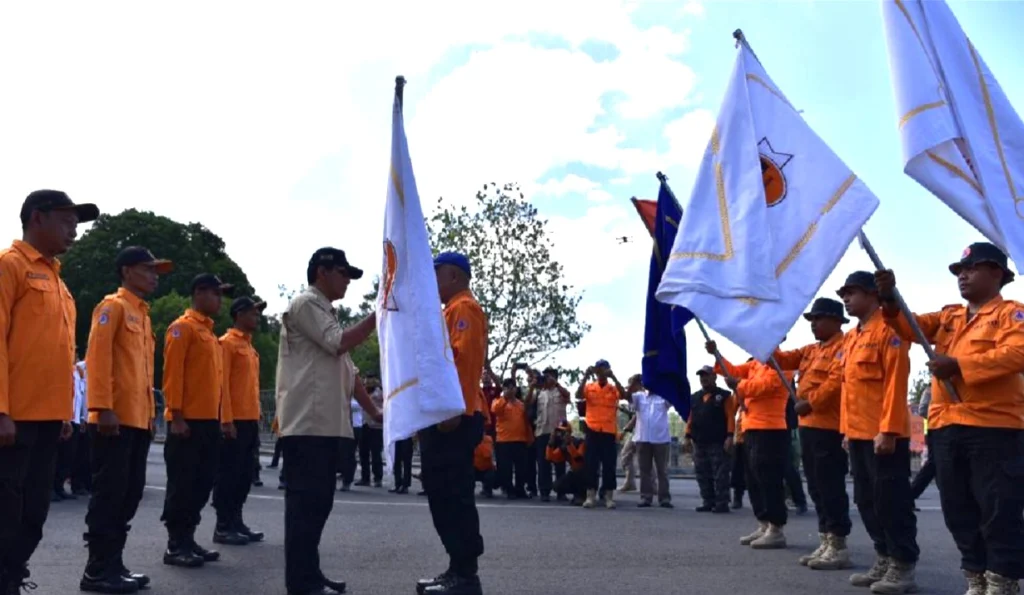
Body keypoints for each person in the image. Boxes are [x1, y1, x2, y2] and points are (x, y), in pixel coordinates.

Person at [878, 244, 1024, 594]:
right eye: (960, 269)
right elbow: (908, 327)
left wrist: (960, 366)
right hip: (946, 426)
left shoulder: (1012, 314)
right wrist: (889, 300)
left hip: (994, 427)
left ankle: (1002, 581)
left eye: (971, 268)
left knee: (998, 510)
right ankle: (975, 576)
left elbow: (1018, 352)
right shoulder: (949, 316)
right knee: (957, 508)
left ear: (997, 274)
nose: (962, 275)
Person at [0, 190, 97, 593]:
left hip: (47, 417)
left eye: (75, 224)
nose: (73, 231)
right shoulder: (11, 266)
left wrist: (63, 414)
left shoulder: (57, 279)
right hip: (15, 415)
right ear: (36, 218)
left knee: (34, 512)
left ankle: (10, 573)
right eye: (66, 221)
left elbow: (58, 354)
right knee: (6, 509)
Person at [276, 247, 381, 595]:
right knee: (305, 507)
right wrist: (377, 315)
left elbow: (349, 374)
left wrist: (375, 412)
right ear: (322, 272)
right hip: (307, 424)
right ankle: (301, 582)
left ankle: (310, 572)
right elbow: (338, 344)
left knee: (318, 505)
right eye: (343, 273)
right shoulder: (307, 303)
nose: (348, 281)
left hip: (326, 427)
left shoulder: (326, 313)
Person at [80, 246, 171, 593]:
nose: (154, 275)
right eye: (148, 269)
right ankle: (97, 569)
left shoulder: (143, 315)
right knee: (109, 496)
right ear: (127, 271)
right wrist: (102, 407)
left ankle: (114, 564)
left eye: (156, 270)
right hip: (113, 420)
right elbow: (98, 359)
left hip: (137, 420)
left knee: (129, 495)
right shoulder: (112, 307)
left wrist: (148, 416)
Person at [833, 271, 918, 593]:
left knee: (891, 502)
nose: (846, 298)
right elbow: (849, 389)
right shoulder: (853, 336)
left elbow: (896, 383)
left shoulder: (889, 328)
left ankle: (902, 564)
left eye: (852, 292)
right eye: (844, 293)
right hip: (857, 433)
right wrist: (846, 430)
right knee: (867, 500)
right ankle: (883, 556)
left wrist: (889, 430)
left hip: (884, 436)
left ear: (872, 295)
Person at [415, 252, 487, 595]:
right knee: (441, 493)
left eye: (437, 273)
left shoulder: (464, 309)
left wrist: (451, 410)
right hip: (445, 414)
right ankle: (456, 568)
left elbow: (463, 362)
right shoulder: (450, 309)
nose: (433, 280)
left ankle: (465, 576)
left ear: (454, 276)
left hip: (454, 417)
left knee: (453, 495)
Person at [161, 273, 236, 568]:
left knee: (202, 483)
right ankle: (175, 544)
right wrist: (176, 416)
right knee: (183, 484)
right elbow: (173, 376)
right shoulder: (182, 329)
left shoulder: (210, 335)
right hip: (187, 421)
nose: (220, 300)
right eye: (216, 294)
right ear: (200, 293)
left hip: (207, 422)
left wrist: (221, 419)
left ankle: (188, 538)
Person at [774, 297, 853, 570]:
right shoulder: (811, 350)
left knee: (831, 487)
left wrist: (811, 402)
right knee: (817, 487)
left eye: (818, 319)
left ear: (836, 321)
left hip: (829, 428)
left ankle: (839, 544)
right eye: (811, 320)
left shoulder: (844, 347)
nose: (814, 324)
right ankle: (826, 539)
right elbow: (782, 359)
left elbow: (835, 382)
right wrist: (770, 340)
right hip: (809, 427)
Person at [708, 342, 792, 550]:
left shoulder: (782, 363)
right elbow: (735, 371)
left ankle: (776, 527)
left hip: (770, 429)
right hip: (750, 428)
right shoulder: (756, 363)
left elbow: (764, 386)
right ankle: (763, 522)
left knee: (769, 479)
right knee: (753, 479)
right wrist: (717, 354)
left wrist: (738, 385)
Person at [211, 296, 268, 547]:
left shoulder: (249, 346)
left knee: (245, 474)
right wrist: (226, 420)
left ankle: (236, 520)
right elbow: (221, 385)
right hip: (233, 420)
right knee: (229, 474)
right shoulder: (227, 344)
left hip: (248, 419)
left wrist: (257, 411)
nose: (257, 317)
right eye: (253, 313)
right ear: (238, 315)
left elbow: (248, 385)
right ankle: (223, 525)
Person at [575, 360, 627, 509]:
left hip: (609, 430)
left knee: (609, 465)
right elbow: (578, 395)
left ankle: (608, 496)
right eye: (599, 370)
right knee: (591, 464)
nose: (602, 372)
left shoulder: (612, 388)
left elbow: (624, 395)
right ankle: (590, 496)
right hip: (592, 429)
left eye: (604, 369)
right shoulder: (590, 387)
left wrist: (614, 377)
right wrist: (585, 376)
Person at [685, 366, 736, 513]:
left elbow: (730, 417)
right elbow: (691, 418)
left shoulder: (724, 395)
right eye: (701, 376)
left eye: (707, 375)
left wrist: (730, 436)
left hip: (718, 441)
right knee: (702, 473)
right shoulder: (695, 397)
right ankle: (708, 501)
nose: (704, 379)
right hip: (699, 441)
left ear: (714, 377)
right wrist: (687, 436)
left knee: (720, 473)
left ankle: (722, 503)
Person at [524, 367, 570, 502]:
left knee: (560, 462)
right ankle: (545, 491)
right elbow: (526, 404)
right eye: (545, 376)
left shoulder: (560, 391)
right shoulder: (539, 393)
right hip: (542, 431)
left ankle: (561, 491)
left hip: (559, 432)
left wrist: (556, 384)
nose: (546, 379)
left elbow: (568, 396)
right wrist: (532, 387)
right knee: (543, 463)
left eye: (549, 376)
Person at [629, 375, 674, 509]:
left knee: (662, 470)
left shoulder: (664, 397)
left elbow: (674, 396)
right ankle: (645, 497)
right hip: (643, 438)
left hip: (660, 439)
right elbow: (626, 396)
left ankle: (664, 498)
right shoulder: (638, 396)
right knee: (644, 470)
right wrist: (633, 383)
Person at [491, 379, 530, 499]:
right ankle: (509, 490)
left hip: (520, 440)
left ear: (516, 389)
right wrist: (505, 398)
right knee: (505, 469)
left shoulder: (521, 404)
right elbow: (495, 411)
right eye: (507, 387)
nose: (510, 389)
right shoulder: (498, 401)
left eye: (513, 387)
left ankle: (520, 489)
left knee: (521, 468)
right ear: (503, 389)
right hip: (503, 441)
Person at [546, 422, 587, 504]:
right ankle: (577, 494)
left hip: (587, 474)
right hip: (575, 472)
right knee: (557, 486)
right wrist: (550, 444)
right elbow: (550, 457)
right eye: (559, 432)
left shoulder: (580, 442)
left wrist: (569, 444)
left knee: (578, 472)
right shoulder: (563, 447)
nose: (560, 435)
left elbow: (578, 460)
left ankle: (581, 495)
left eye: (563, 432)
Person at [357, 376, 384, 488]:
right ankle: (365, 477)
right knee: (363, 452)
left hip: (376, 426)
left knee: (376, 453)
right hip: (365, 424)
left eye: (370, 381)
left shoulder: (380, 394)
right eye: (366, 381)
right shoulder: (364, 391)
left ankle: (378, 478)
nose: (367, 383)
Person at [909, 386, 934, 503]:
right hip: (935, 430)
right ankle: (910, 494)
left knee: (934, 466)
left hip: (938, 430)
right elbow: (922, 410)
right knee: (932, 465)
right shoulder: (930, 390)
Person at [472, 434, 495, 498]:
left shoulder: (487, 439)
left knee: (490, 474)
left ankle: (488, 489)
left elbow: (487, 455)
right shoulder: (469, 439)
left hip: (486, 468)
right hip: (474, 467)